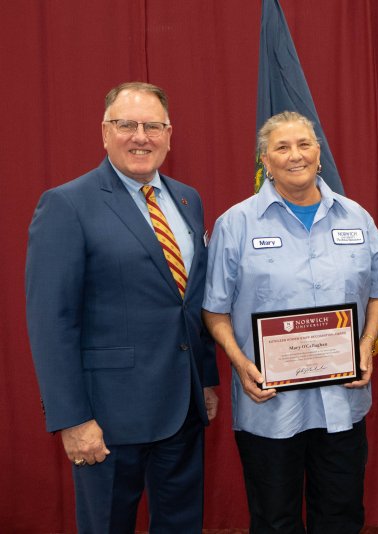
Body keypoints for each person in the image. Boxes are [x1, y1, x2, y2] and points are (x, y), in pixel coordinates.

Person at [25, 81, 219, 533]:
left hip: (184, 408)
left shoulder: (189, 200)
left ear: (170, 135)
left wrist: (206, 379)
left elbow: (191, 302)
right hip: (108, 418)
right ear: (104, 132)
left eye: (153, 126)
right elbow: (51, 321)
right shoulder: (66, 205)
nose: (140, 136)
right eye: (126, 125)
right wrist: (72, 417)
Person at [202, 111, 378, 534]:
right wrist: (239, 361)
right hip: (270, 407)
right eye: (282, 147)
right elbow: (214, 309)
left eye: (304, 144)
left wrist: (366, 342)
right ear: (265, 160)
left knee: (342, 517)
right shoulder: (234, 225)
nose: (296, 155)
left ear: (319, 154)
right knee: (275, 521)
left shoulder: (356, 218)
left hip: (342, 405)